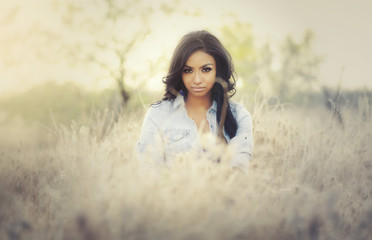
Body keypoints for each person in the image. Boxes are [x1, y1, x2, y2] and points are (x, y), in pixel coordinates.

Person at [136, 30, 253, 173]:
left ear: (218, 70)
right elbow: (147, 170)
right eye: (188, 70)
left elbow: (238, 169)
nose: (197, 80)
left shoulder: (238, 115)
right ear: (179, 72)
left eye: (206, 70)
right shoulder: (158, 114)